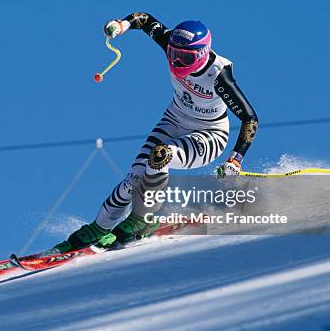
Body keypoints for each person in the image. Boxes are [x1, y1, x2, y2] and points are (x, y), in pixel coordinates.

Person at [55, 13, 258, 252]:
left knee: (161, 155)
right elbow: (144, 20)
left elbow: (249, 118)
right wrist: (121, 26)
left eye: (185, 58)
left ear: (202, 55)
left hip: (209, 134)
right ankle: (98, 228)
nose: (177, 62)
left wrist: (236, 159)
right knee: (133, 181)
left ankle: (144, 219)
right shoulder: (172, 43)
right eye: (173, 55)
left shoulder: (219, 76)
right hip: (173, 120)